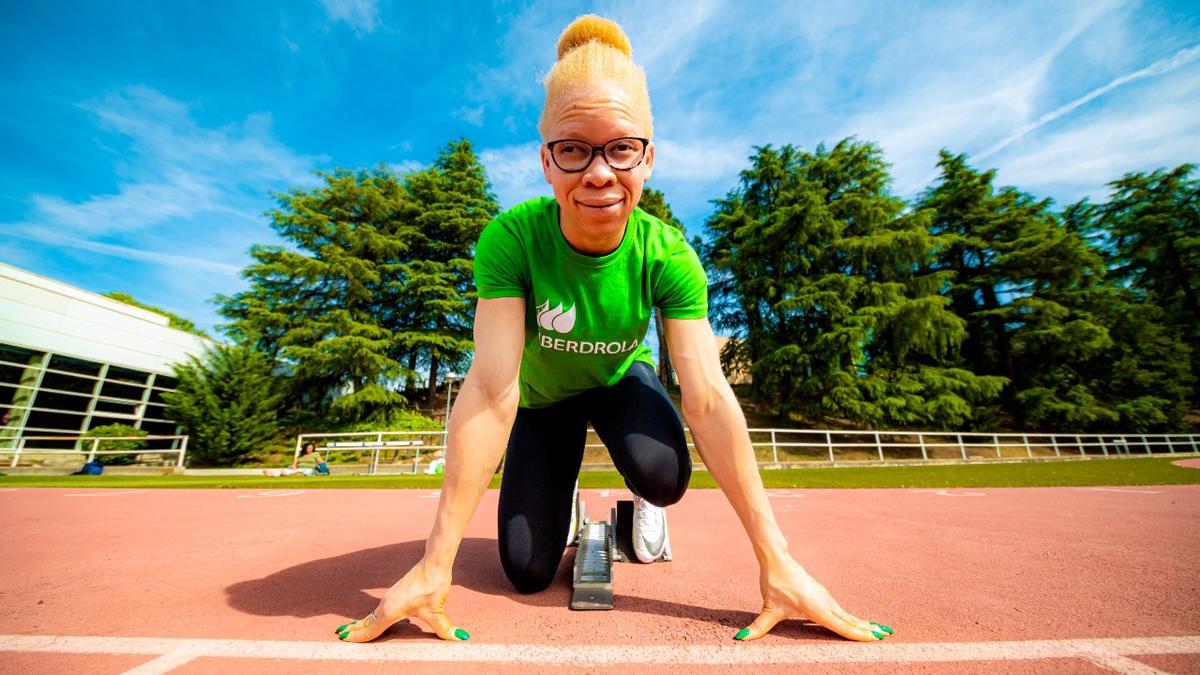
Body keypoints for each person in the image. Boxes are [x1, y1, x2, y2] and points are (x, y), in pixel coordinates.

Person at [334, 15, 892, 644]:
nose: (598, 173)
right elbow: (492, 388)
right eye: (573, 149)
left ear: (647, 158)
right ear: (546, 161)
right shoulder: (511, 240)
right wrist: (435, 565)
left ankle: (643, 510)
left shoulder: (668, 254)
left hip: (619, 379)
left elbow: (707, 396)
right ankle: (565, 503)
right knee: (524, 571)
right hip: (544, 402)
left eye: (621, 148)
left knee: (663, 474)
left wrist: (777, 559)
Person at [263, 442, 330, 477]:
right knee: (285, 471)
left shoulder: (315, 454)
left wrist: (325, 471)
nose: (310, 449)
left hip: (309, 469)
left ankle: (292, 474)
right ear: (305, 448)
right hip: (299, 468)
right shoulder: (299, 456)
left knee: (301, 472)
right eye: (309, 448)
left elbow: (321, 463)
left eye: (311, 448)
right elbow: (294, 464)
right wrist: (293, 469)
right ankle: (271, 473)